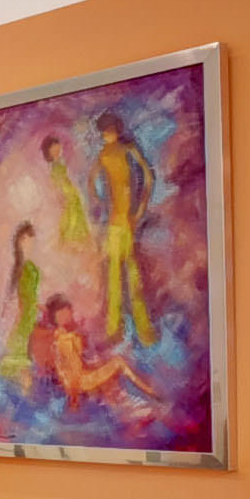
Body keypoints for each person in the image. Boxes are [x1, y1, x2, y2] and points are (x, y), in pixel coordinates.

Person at [86, 112, 158, 345]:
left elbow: (149, 177)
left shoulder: (128, 150)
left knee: (131, 277)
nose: (106, 135)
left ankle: (142, 330)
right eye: (104, 132)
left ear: (116, 130)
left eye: (109, 130)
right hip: (115, 223)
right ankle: (116, 330)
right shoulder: (104, 154)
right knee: (116, 279)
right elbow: (91, 182)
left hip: (126, 221)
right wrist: (101, 203)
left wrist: (140, 210)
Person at [35, 295, 166, 418]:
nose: (70, 313)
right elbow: (74, 375)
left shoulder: (60, 337)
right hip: (81, 382)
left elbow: (71, 366)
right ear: (58, 316)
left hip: (77, 381)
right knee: (118, 362)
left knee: (103, 362)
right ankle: (148, 393)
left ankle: (122, 401)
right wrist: (74, 401)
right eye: (66, 311)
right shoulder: (67, 340)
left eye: (69, 310)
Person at [0, 221, 41, 390]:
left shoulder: (30, 267)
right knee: (22, 362)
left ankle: (24, 391)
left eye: (32, 240)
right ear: (20, 242)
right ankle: (23, 392)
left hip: (31, 316)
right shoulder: (21, 268)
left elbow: (32, 296)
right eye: (27, 240)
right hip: (24, 319)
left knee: (25, 362)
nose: (30, 244)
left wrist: (38, 308)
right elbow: (18, 299)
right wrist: (18, 319)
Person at [41, 134, 91, 248]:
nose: (57, 151)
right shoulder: (52, 166)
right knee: (69, 216)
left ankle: (76, 239)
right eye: (54, 149)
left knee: (75, 213)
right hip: (65, 192)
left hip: (71, 192)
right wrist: (58, 194)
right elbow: (53, 182)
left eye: (58, 148)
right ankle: (69, 240)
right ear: (48, 152)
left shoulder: (60, 162)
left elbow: (66, 177)